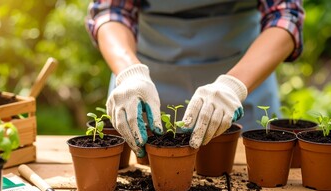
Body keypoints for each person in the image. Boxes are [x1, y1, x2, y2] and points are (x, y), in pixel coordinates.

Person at [85, 0, 304, 157]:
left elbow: (285, 15)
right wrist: (130, 73)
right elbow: (111, 10)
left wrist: (234, 85)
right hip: (146, 79)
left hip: (245, 78)